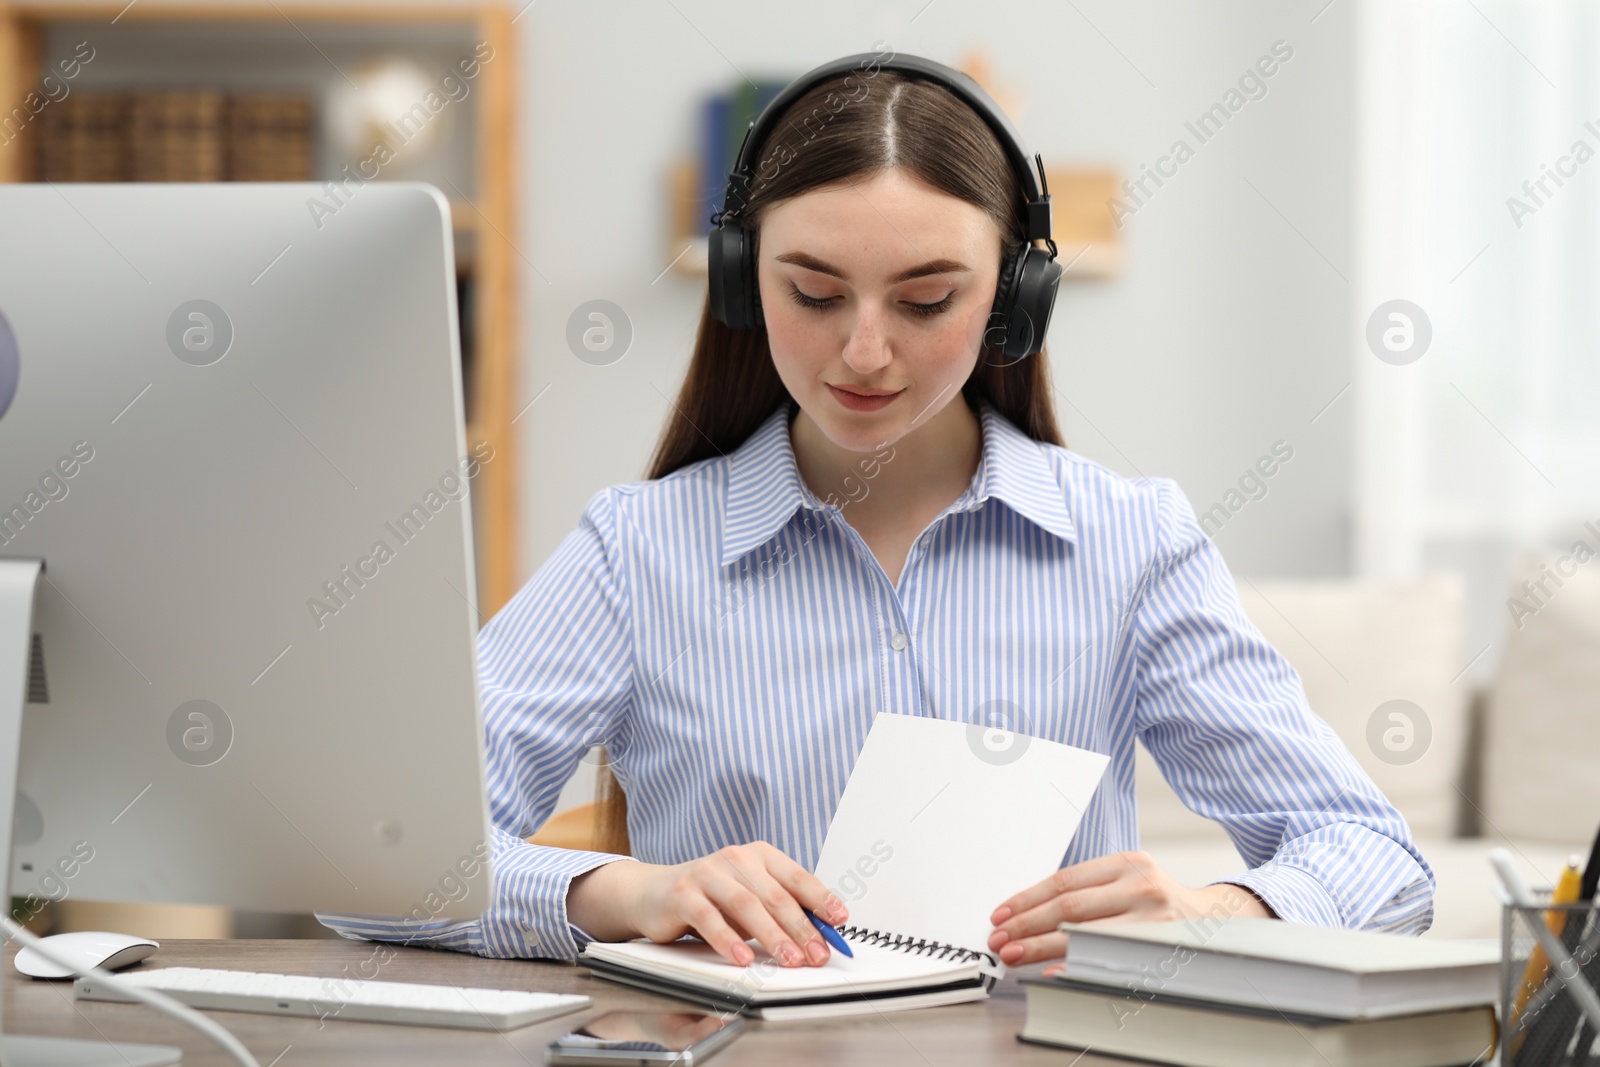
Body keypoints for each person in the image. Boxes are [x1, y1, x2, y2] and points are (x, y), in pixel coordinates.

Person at [320, 56, 1434, 971]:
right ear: (739, 280)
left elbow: (1374, 855)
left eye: (925, 299)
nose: (863, 351)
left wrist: (1218, 912)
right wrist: (629, 891)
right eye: (810, 293)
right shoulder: (636, 550)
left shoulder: (1132, 543)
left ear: (1013, 296)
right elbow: (370, 860)